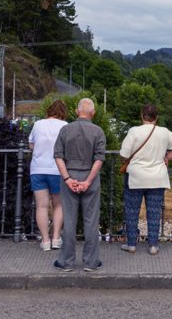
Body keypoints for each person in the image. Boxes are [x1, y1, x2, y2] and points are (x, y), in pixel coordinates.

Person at [119, 104, 172, 255]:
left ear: (142, 116)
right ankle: (153, 246)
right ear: (156, 117)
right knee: (154, 212)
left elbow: (124, 154)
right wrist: (168, 156)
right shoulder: (163, 132)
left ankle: (131, 245)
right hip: (157, 178)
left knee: (132, 211)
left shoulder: (134, 131)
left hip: (136, 177)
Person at [53, 98, 106, 272]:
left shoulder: (65, 129)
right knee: (91, 221)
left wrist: (68, 179)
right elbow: (99, 159)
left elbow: (58, 156)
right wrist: (88, 181)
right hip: (90, 177)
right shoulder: (98, 131)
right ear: (93, 113)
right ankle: (90, 262)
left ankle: (66, 262)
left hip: (70, 174)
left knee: (69, 219)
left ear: (76, 112)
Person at [29, 99, 69, 252]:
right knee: (59, 205)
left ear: (49, 110)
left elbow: (31, 144)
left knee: (41, 206)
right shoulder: (65, 126)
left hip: (38, 169)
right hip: (57, 170)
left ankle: (45, 240)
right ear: (63, 113)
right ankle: (56, 238)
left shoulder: (38, 124)